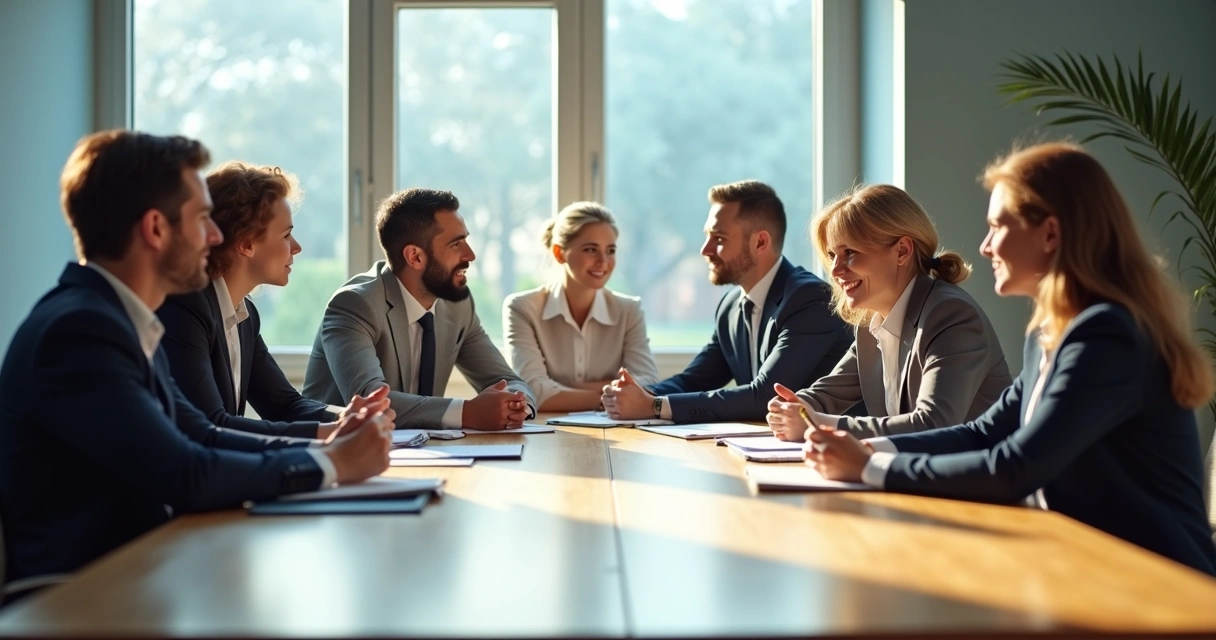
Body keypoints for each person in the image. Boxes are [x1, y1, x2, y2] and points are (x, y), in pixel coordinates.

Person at [0, 130, 393, 586]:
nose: (214, 236)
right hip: (84, 598)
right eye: (203, 218)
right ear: (155, 228)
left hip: (143, 573)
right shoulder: (80, 330)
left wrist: (327, 447)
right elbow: (184, 471)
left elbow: (200, 432)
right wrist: (333, 464)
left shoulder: (121, 320)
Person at [805, 142, 1216, 576]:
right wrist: (867, 448)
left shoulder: (1108, 336)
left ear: (1050, 234)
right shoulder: (1050, 334)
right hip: (1084, 564)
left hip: (1162, 582)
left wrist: (872, 467)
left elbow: (1016, 467)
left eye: (998, 226)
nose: (984, 247)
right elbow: (982, 433)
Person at [766, 184, 1011, 441]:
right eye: (832, 255)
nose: (835, 271)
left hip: (971, 479)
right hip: (910, 476)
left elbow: (934, 425)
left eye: (849, 252)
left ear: (902, 251)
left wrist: (815, 424)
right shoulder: (872, 324)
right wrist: (792, 407)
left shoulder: (951, 315)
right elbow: (826, 396)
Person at [602, 180, 851, 423]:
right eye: (707, 236)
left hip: (829, 448)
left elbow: (764, 396)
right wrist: (635, 394)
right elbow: (694, 380)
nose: (705, 249)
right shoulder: (730, 307)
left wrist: (654, 407)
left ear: (760, 242)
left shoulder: (810, 299)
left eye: (718, 238)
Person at [158, 162, 366, 439]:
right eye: (286, 235)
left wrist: (349, 416)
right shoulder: (185, 309)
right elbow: (210, 424)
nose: (296, 247)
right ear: (246, 244)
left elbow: (284, 405)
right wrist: (328, 433)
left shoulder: (245, 315)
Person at [304, 188, 537, 430]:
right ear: (415, 257)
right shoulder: (355, 305)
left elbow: (508, 381)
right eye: (456, 244)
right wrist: (468, 413)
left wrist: (517, 406)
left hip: (422, 453)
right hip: (335, 455)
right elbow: (370, 403)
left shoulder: (458, 305)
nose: (470, 254)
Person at [504, 202, 659, 412]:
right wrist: (612, 394)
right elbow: (533, 391)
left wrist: (560, 389)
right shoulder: (522, 308)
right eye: (590, 249)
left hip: (618, 430)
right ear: (560, 253)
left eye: (610, 250)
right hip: (548, 434)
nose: (603, 261)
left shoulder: (629, 310)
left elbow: (647, 383)